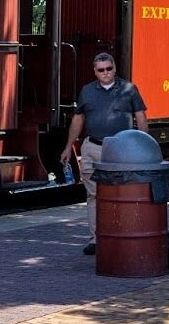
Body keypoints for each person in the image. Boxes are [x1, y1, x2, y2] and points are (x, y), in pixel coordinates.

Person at [60, 53, 148, 255]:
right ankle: (96, 239)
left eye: (109, 68)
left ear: (114, 68)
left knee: (121, 193)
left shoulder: (129, 89)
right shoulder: (87, 91)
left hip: (120, 149)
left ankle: (121, 234)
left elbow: (141, 117)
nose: (106, 73)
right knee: (93, 194)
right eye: (101, 70)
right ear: (95, 72)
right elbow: (78, 119)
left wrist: (143, 144)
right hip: (92, 147)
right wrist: (68, 146)